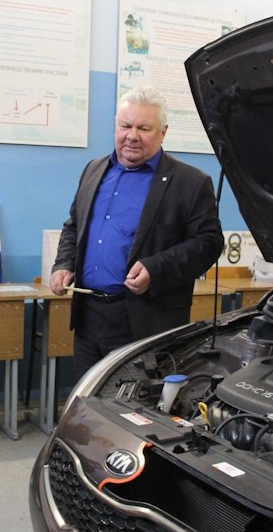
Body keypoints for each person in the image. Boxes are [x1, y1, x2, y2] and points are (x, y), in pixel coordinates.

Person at [49, 86, 224, 379]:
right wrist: (64, 264)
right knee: (87, 399)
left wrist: (156, 268)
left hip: (145, 322)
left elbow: (209, 243)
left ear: (163, 133)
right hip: (89, 317)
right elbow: (74, 226)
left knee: (135, 404)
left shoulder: (190, 182)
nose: (132, 135)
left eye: (144, 128)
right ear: (115, 127)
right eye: (125, 126)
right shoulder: (94, 170)